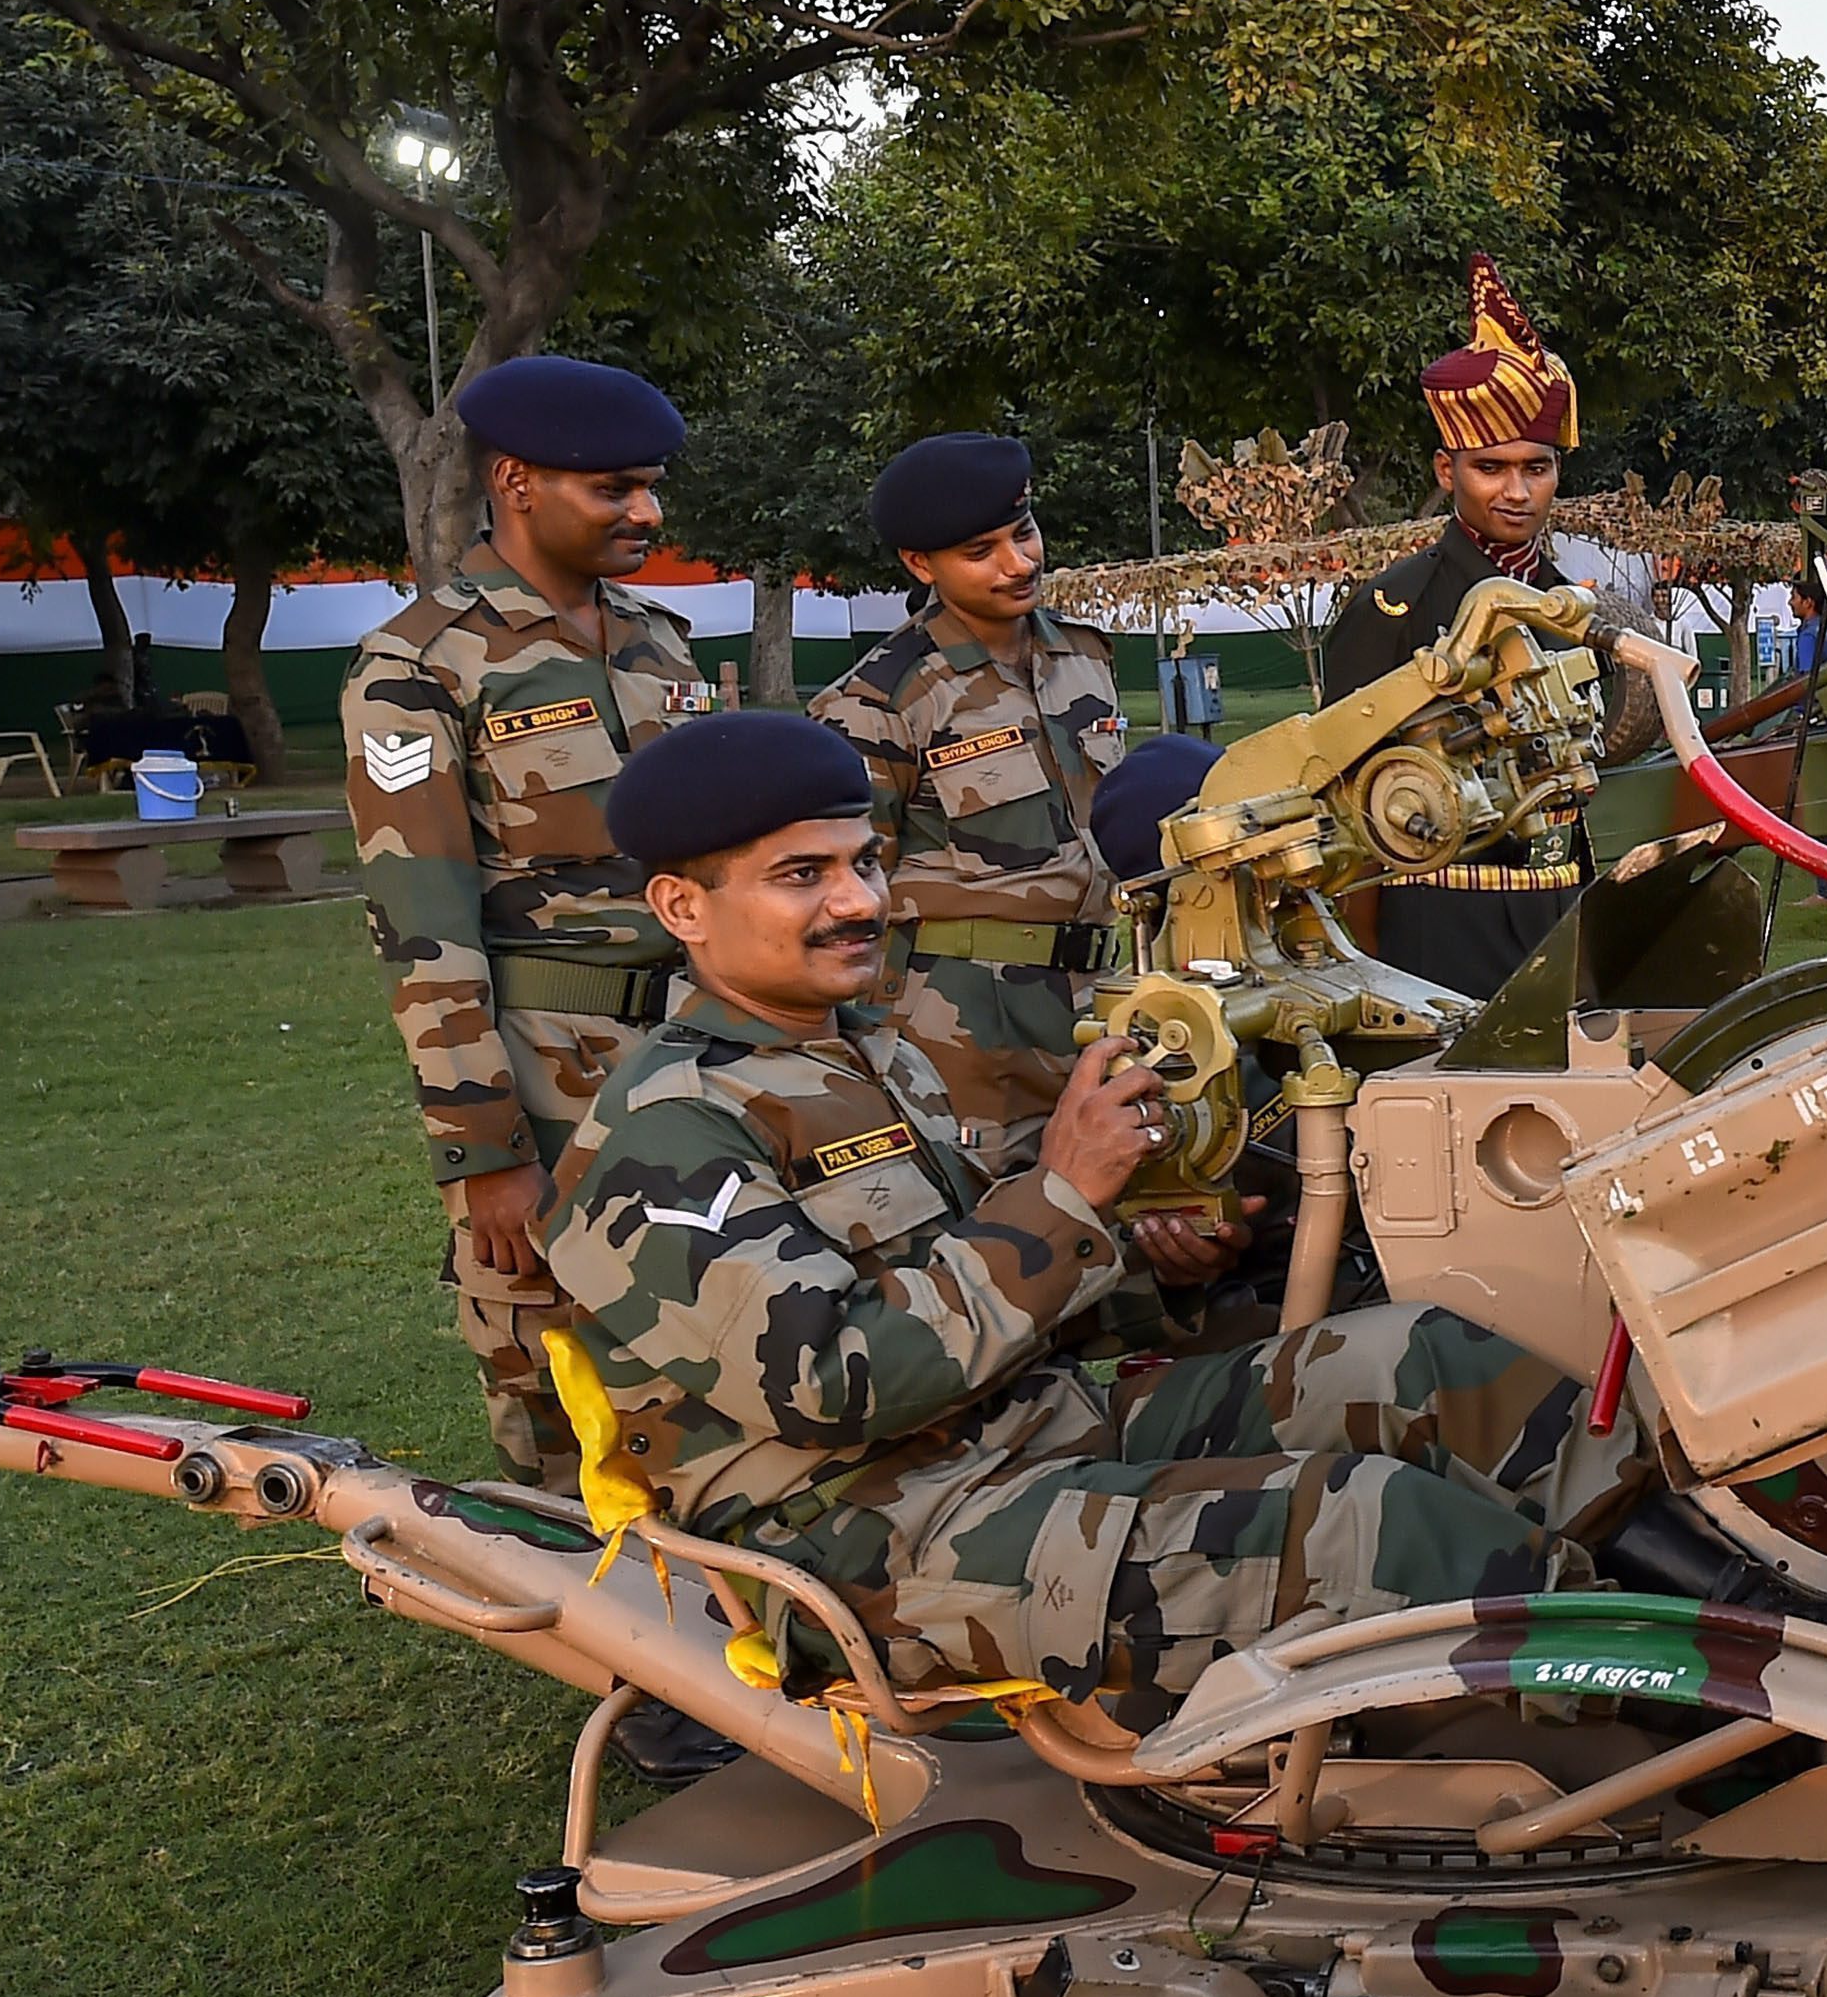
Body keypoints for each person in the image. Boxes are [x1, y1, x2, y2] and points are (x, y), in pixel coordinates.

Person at [541, 713, 1555, 1738]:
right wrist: (1064, 1195)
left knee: (1428, 1365)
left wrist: (1148, 1260)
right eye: (801, 876)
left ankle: (1688, 1571)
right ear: (683, 907)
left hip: (1031, 1434)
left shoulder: (868, 1059)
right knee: (1379, 1525)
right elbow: (831, 1381)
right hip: (882, 1544)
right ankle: (1676, 1714)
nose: (857, 903)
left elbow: (976, 1293)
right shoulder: (660, 1136)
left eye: (862, 863)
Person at [338, 354, 718, 1493]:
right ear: (516, 482)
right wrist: (483, 1148)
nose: (646, 512)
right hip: (551, 1075)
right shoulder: (419, 665)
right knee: (554, 1354)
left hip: (703, 1053)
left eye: (649, 486)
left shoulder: (659, 641)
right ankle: (589, 1613)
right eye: (613, 489)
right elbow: (422, 920)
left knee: (715, 1319)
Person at [1309, 257, 1641, 999]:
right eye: (1491, 467)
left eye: (1538, 467)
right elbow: (1343, 806)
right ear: (1447, 468)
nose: (1517, 491)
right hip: (1437, 924)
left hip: (1563, 907)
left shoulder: (1571, 607)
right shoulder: (1392, 607)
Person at [814, 436, 1132, 1174]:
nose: (1018, 564)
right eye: (979, 551)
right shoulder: (879, 700)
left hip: (1095, 999)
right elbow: (851, 890)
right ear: (921, 565)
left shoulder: (1084, 656)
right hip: (963, 1030)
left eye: (1023, 534)